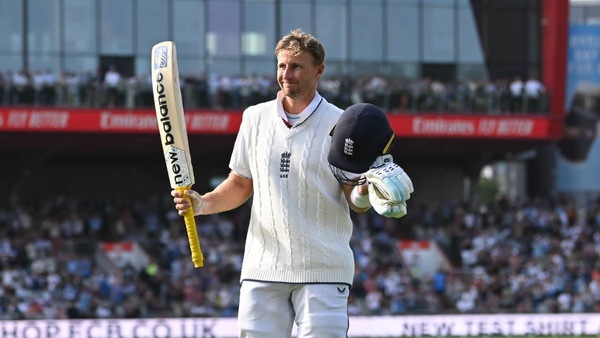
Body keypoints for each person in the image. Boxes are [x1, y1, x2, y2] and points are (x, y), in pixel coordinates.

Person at [172, 29, 407, 338]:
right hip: (263, 267)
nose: (286, 74)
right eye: (282, 66)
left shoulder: (343, 123)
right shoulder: (254, 118)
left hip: (323, 269)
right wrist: (203, 203)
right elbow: (241, 183)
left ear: (319, 70)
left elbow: (355, 201)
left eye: (296, 66)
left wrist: (366, 190)